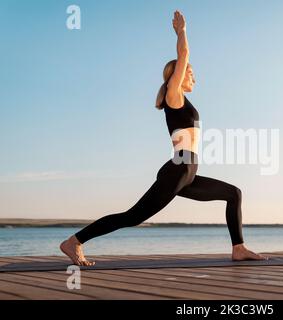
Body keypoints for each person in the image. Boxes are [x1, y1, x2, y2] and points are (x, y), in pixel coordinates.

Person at [60, 10, 267, 266]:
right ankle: (74, 241)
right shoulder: (174, 96)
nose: (194, 77)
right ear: (176, 76)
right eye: (189, 73)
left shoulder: (181, 100)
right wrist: (182, 32)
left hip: (187, 171)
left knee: (233, 193)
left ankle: (239, 248)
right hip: (178, 169)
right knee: (133, 217)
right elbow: (184, 55)